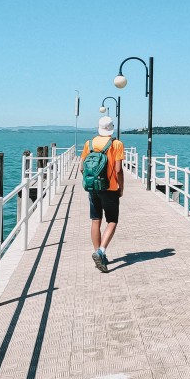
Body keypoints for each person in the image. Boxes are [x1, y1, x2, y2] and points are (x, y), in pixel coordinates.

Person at [80, 116, 125, 271]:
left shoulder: (89, 144)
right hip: (110, 188)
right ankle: (101, 251)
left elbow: (81, 168)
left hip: (93, 188)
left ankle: (98, 254)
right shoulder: (116, 144)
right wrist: (121, 188)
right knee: (112, 221)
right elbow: (118, 170)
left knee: (95, 220)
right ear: (111, 128)